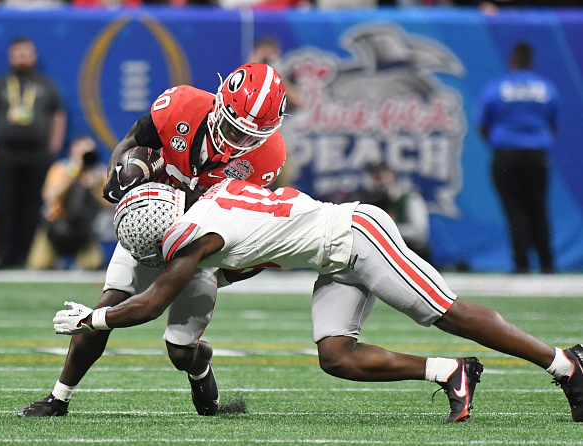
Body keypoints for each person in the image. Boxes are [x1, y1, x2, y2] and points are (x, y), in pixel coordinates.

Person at [52, 179, 583, 423]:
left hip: (356, 235)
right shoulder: (210, 199)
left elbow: (148, 304)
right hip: (332, 255)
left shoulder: (199, 238)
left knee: (443, 311)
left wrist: (92, 315)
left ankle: (566, 365)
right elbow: (264, 235)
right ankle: (451, 372)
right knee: (335, 355)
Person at [17, 62, 288, 418]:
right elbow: (131, 143)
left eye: (250, 137)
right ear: (219, 104)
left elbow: (241, 219)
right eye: (233, 129)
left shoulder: (267, 157)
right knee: (106, 305)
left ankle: (198, 363)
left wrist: (226, 267)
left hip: (198, 244)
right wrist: (120, 178)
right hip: (151, 225)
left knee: (179, 351)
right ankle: (58, 398)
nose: (239, 142)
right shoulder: (181, 106)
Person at [477, 42, 559, 274]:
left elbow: (483, 125)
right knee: (539, 208)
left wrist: (501, 145)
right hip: (537, 155)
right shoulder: (546, 88)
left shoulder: (497, 87)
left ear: (511, 61)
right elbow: (553, 125)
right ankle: (547, 263)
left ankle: (521, 264)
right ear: (531, 62)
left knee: (515, 210)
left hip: (506, 155)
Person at [0, 36, 67, 269]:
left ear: (33, 56)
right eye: (18, 53)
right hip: (5, 153)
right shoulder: (0, 85)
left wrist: (52, 149)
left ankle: (28, 257)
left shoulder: (46, 85)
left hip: (37, 154)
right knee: (5, 204)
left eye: (26, 53)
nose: (22, 58)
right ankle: (1, 255)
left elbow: (58, 116)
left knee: (32, 205)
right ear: (11, 57)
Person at [26, 135, 110, 270]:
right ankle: (56, 261)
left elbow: (108, 205)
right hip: (56, 227)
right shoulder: (60, 168)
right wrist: (72, 175)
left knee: (92, 265)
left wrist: (94, 186)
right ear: (73, 150)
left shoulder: (99, 173)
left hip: (84, 231)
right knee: (39, 265)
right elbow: (50, 196)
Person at [364, 162, 430, 261]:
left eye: (381, 177)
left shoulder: (408, 198)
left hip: (412, 253)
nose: (379, 183)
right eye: (375, 179)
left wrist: (388, 230)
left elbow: (419, 232)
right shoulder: (372, 202)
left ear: (392, 177)